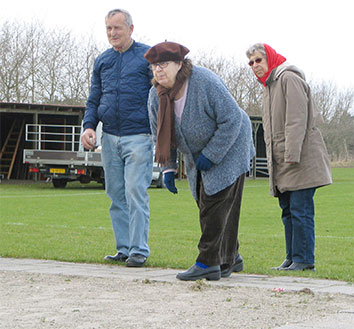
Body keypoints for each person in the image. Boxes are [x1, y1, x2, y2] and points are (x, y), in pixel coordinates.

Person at [145, 41, 255, 281]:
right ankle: (230, 257)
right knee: (210, 203)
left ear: (179, 64)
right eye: (154, 66)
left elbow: (232, 120)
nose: (158, 70)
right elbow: (161, 135)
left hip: (232, 144)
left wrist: (212, 154)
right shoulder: (156, 97)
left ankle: (208, 263)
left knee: (214, 203)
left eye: (163, 64)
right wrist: (168, 168)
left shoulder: (205, 82)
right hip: (197, 153)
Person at [246, 43, 332, 271]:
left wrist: (291, 155)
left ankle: (304, 260)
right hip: (282, 161)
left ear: (270, 59)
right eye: (251, 62)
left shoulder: (288, 79)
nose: (254, 66)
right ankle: (292, 257)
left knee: (300, 209)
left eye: (258, 60)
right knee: (287, 210)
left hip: (299, 159)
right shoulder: (268, 87)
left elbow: (296, 119)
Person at [81, 9, 153, 267]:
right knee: (116, 193)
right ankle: (123, 248)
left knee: (135, 191)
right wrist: (89, 126)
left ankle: (139, 251)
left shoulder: (147, 57)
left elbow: (159, 96)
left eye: (117, 28)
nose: (112, 33)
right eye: (109, 28)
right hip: (109, 137)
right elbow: (94, 98)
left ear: (131, 29)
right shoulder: (102, 61)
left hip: (139, 136)